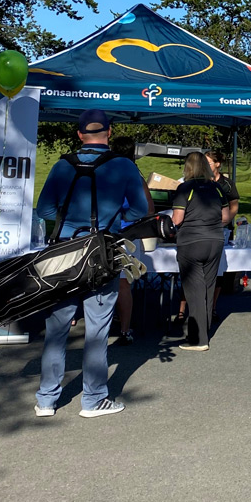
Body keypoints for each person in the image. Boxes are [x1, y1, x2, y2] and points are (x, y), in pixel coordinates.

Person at [33, 109, 149, 418]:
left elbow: (44, 209)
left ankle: (46, 399)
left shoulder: (62, 165)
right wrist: (113, 221)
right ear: (109, 133)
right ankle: (94, 399)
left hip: (63, 254)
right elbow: (139, 210)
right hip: (102, 252)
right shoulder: (123, 166)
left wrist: (69, 221)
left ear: (79, 134)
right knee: (97, 329)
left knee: (56, 329)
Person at [171, 153, 230, 351]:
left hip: (191, 241)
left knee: (194, 290)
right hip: (215, 239)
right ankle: (203, 333)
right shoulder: (216, 187)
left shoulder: (185, 188)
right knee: (208, 286)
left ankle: (198, 340)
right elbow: (226, 216)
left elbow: (177, 219)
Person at [110, 135, 154, 345]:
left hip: (108, 234)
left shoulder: (106, 173)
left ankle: (116, 326)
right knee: (124, 284)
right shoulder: (136, 176)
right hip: (128, 236)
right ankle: (125, 329)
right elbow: (149, 209)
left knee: (109, 284)